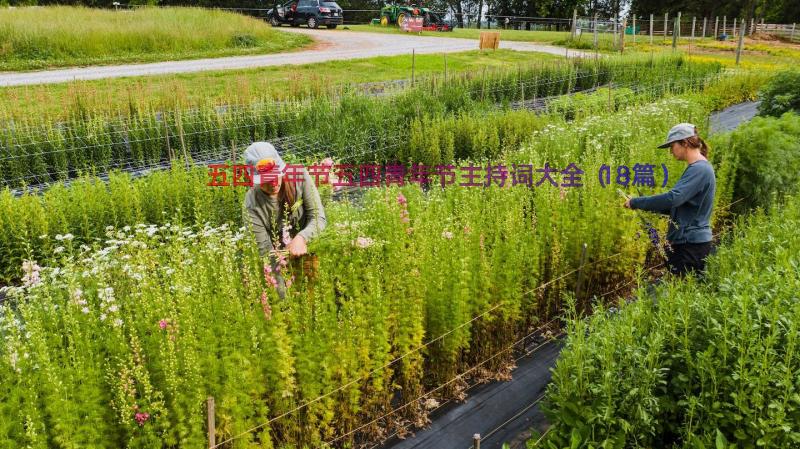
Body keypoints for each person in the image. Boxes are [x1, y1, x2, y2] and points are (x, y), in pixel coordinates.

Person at [623, 123, 716, 277]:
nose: (671, 152)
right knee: (685, 291)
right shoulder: (698, 168)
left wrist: (637, 202)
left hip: (690, 245)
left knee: (684, 293)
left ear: (684, 143)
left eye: (672, 146)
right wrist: (641, 205)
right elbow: (677, 205)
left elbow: (673, 198)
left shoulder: (699, 169)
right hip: (690, 243)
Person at [243, 142, 326, 299]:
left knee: (316, 294)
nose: (274, 183)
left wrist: (302, 238)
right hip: (279, 261)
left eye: (276, 175)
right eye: (266, 179)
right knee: (284, 299)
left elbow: (318, 218)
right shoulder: (252, 204)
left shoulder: (299, 176)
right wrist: (282, 293)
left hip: (309, 248)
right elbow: (265, 252)